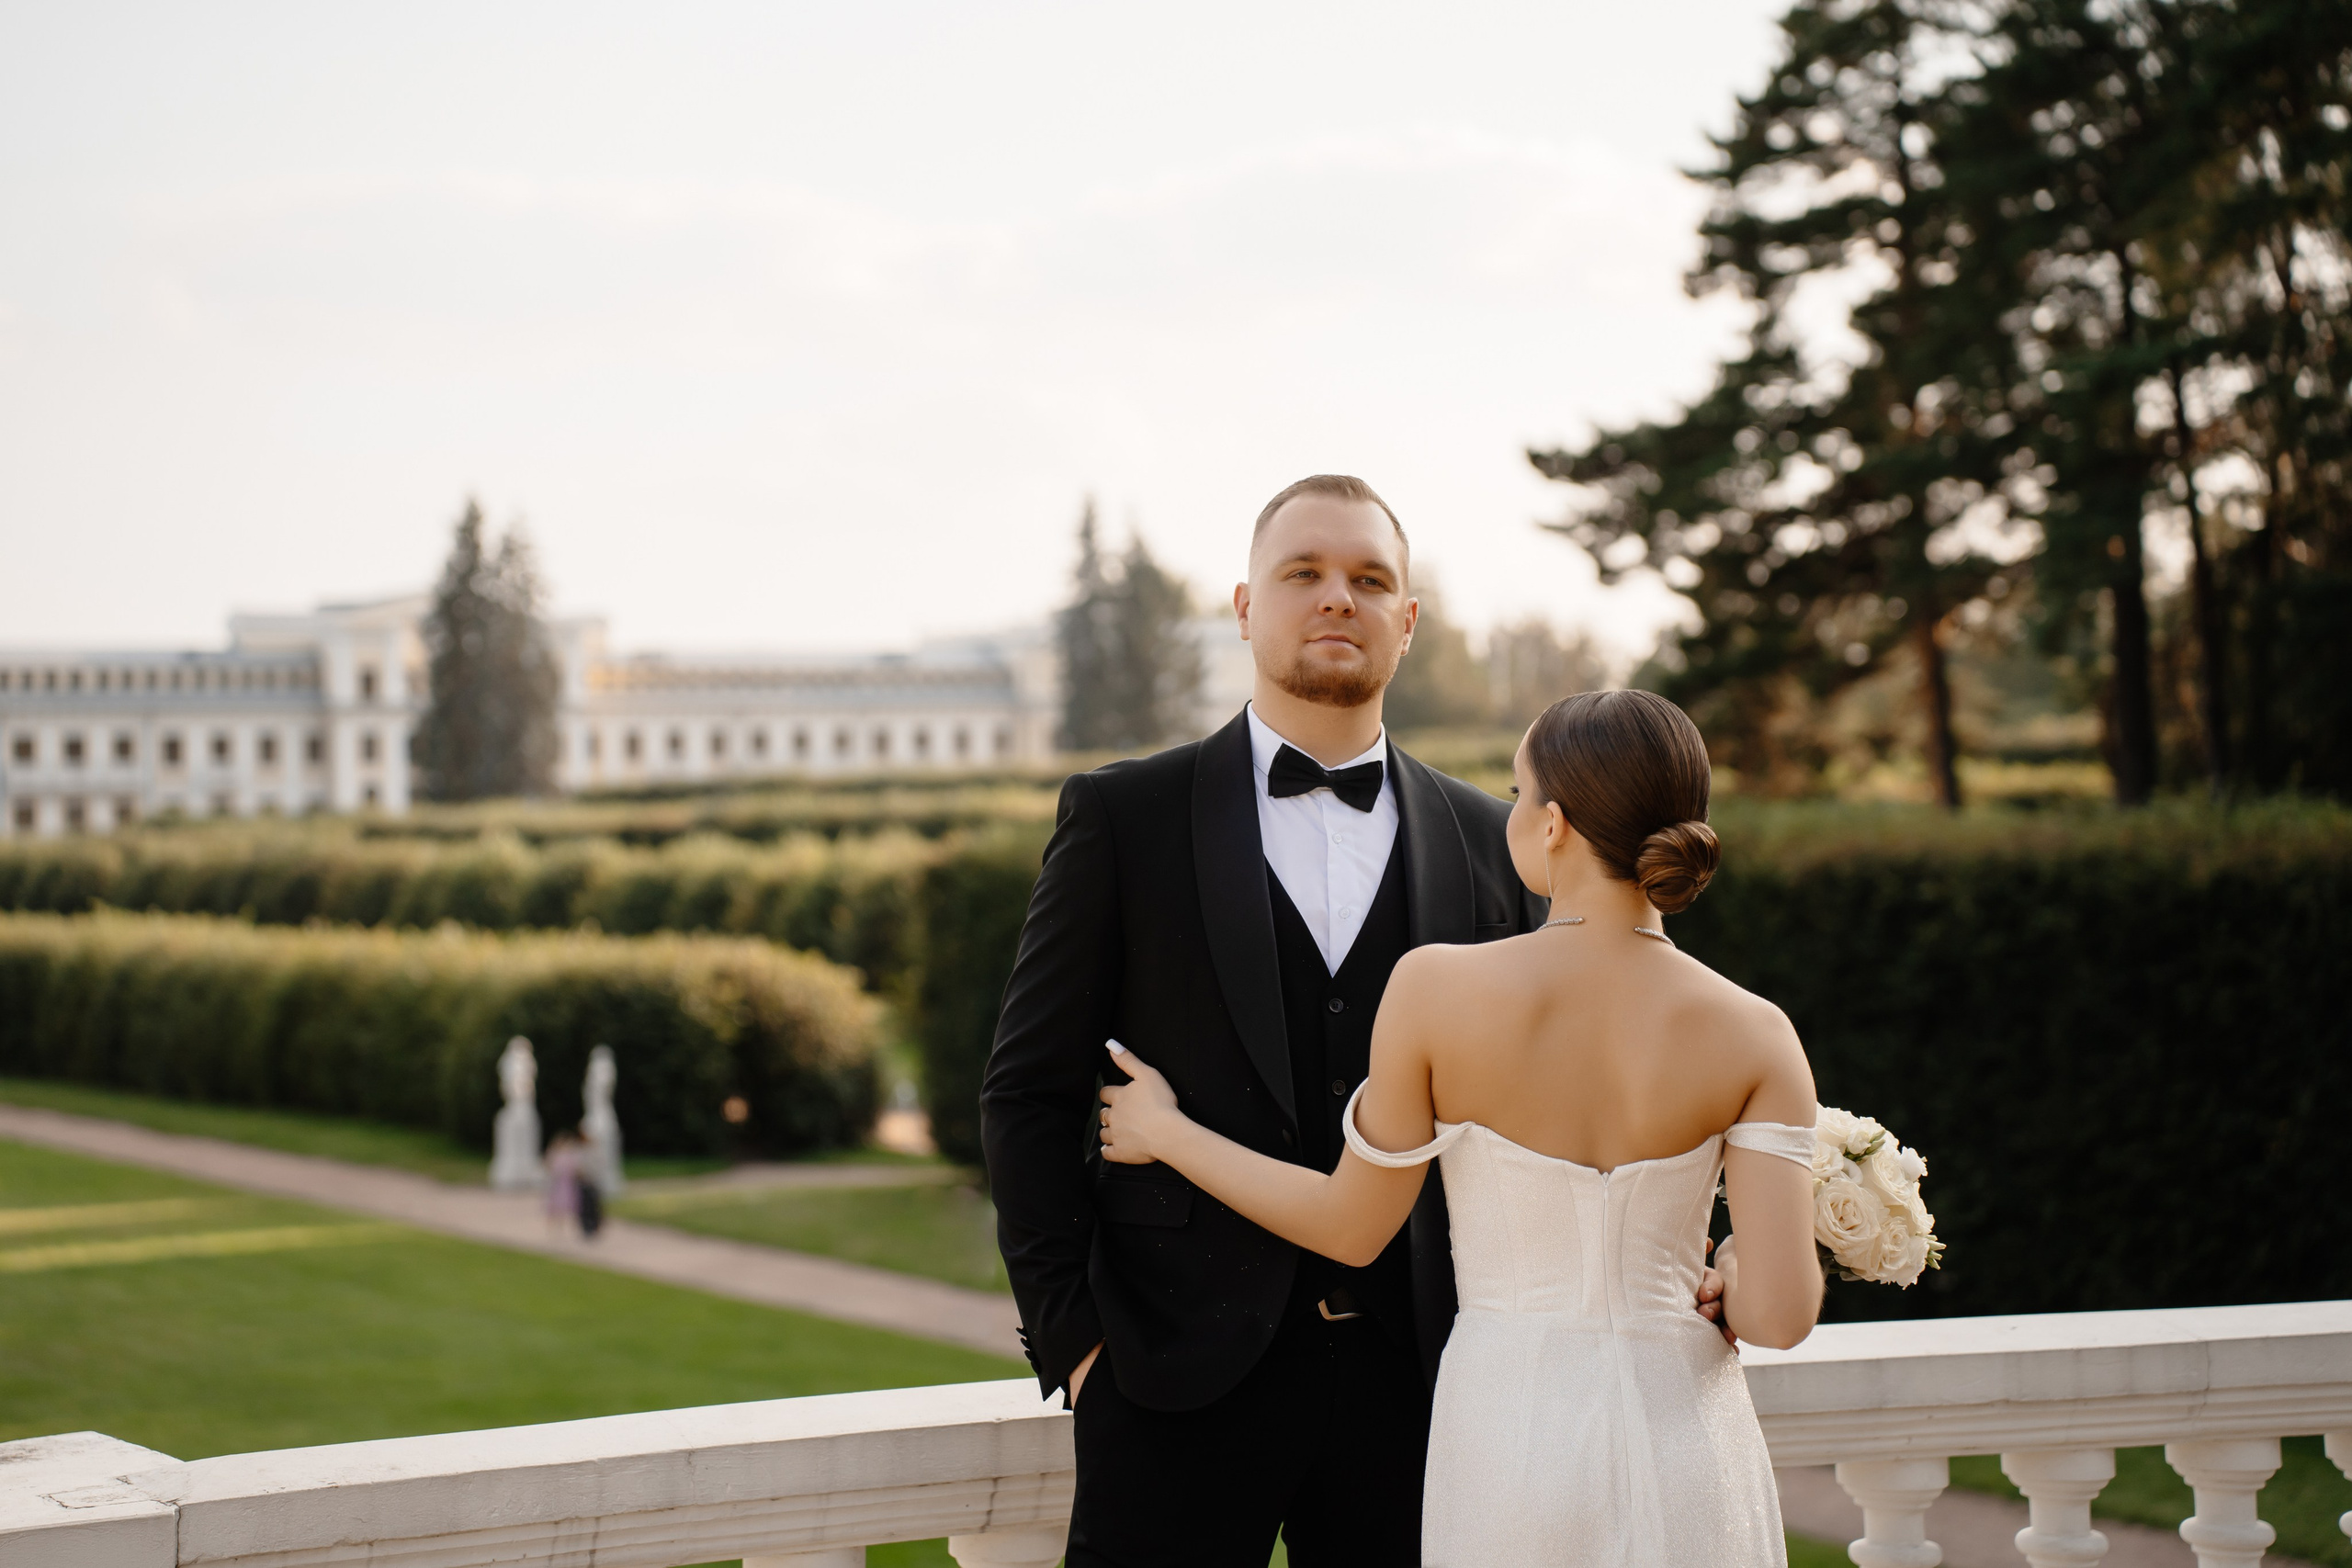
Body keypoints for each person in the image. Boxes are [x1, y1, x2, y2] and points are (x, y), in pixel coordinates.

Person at [979, 476, 1728, 1568]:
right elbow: (1027, 1089)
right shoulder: (1122, 818)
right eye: (1304, 574)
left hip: (1432, 1388)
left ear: (1408, 622)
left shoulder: (1505, 839)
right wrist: (1077, 1346)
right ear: (1244, 607)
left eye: (1369, 579)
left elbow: (1613, 1062)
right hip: (1170, 1377)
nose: (1338, 598)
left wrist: (1707, 1245)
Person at [1099, 688, 1824, 1566]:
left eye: (1518, 793)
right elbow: (1780, 1316)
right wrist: (1740, 1263)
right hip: (1691, 1444)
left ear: (1553, 824)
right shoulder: (1757, 1031)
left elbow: (1350, 1226)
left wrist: (1167, 1132)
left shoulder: (1436, 990)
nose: (1510, 812)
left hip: (1508, 1437)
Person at [543, 1129, 582, 1239]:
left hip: (568, 1185)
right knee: (555, 1208)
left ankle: (566, 1230)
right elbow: (548, 1167)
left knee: (568, 1208)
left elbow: (577, 1170)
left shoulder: (571, 1155)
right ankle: (553, 1229)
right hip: (557, 1185)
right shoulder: (555, 1154)